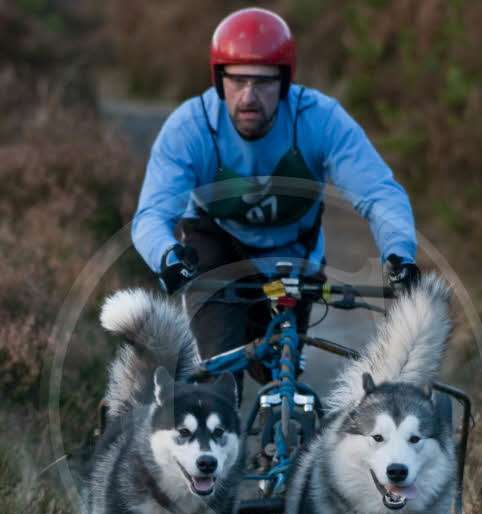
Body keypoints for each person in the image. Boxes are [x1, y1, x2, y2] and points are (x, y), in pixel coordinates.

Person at [131, 7, 420, 391]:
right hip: (217, 249)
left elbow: (379, 192)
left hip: (294, 255)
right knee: (219, 383)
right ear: (219, 81)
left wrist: (398, 255)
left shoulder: (320, 119)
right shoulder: (190, 128)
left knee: (278, 371)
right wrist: (167, 255)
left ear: (284, 83)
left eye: (263, 83)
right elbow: (152, 213)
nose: (249, 97)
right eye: (237, 81)